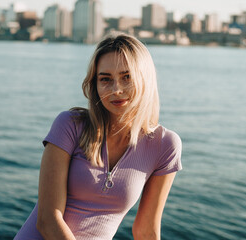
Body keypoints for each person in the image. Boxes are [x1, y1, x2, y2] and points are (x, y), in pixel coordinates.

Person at [14, 33, 182, 240]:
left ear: (145, 79)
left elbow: (146, 230)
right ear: (95, 85)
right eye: (105, 79)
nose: (116, 89)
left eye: (126, 77)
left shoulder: (165, 145)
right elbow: (48, 220)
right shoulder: (70, 125)